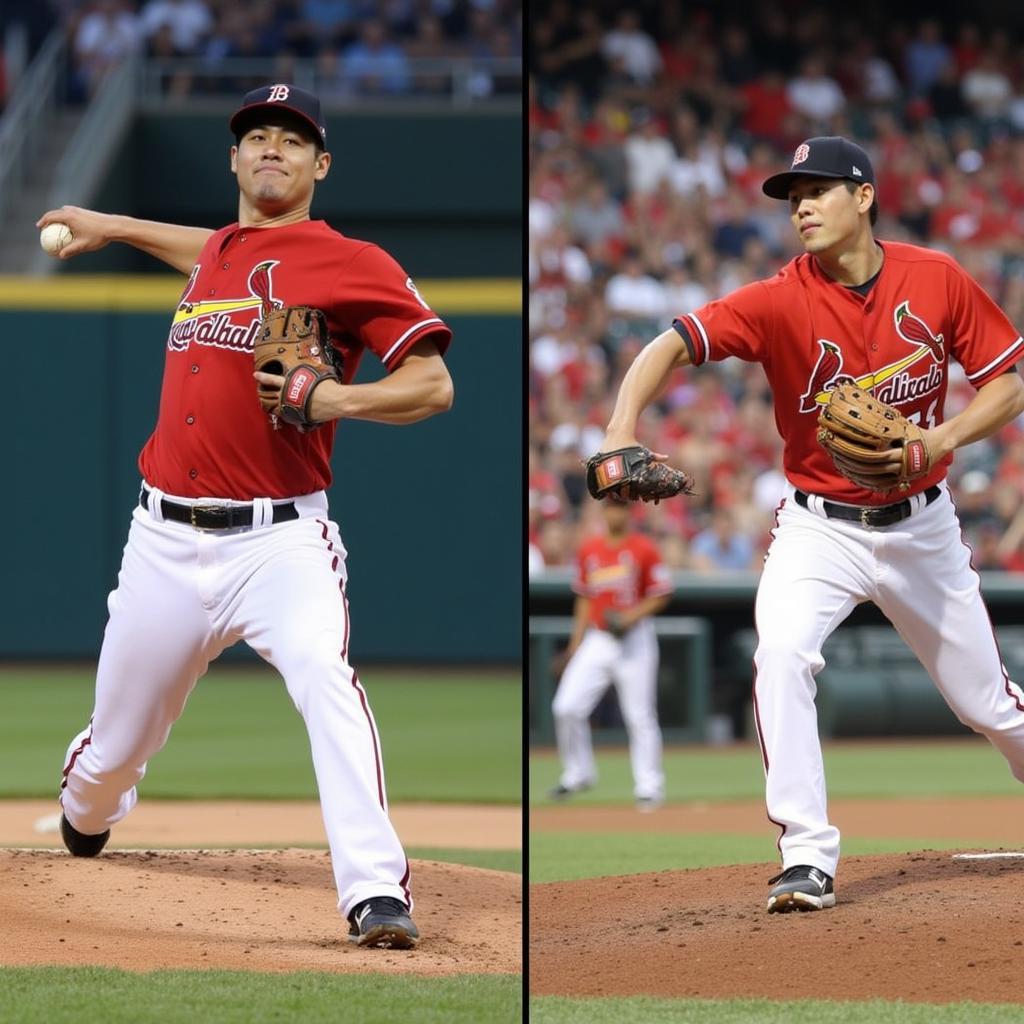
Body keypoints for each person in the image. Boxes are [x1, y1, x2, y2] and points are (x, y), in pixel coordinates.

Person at [38, 83, 454, 949]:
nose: (272, 148)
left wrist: (336, 396)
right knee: (107, 763)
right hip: (162, 540)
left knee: (326, 681)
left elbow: (433, 385)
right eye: (257, 136)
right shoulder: (222, 252)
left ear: (320, 165)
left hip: (282, 543)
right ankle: (89, 808)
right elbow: (210, 250)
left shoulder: (349, 260)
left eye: (292, 140)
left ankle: (375, 892)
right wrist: (111, 225)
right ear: (233, 159)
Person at [595, 135, 1024, 911]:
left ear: (863, 196)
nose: (801, 206)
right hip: (817, 525)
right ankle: (806, 853)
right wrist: (620, 425)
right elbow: (671, 341)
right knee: (783, 656)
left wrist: (942, 437)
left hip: (923, 527)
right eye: (792, 196)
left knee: (985, 704)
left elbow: (1008, 383)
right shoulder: (776, 298)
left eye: (818, 189)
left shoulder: (938, 278)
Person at [549, 498, 674, 811]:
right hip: (599, 637)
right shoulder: (589, 549)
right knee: (566, 706)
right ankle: (578, 772)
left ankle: (649, 786)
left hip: (635, 639)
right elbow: (584, 600)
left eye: (619, 507)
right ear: (602, 512)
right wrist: (575, 644)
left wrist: (632, 615)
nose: (614, 512)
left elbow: (661, 594)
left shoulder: (643, 548)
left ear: (628, 512)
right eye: (609, 507)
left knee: (640, 715)